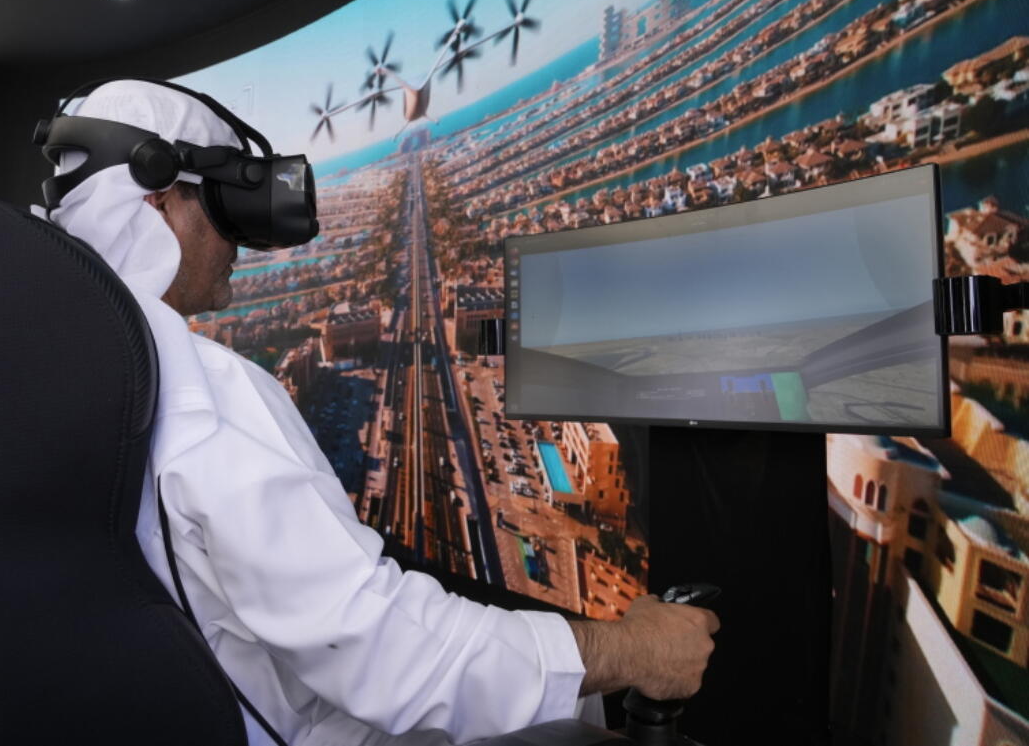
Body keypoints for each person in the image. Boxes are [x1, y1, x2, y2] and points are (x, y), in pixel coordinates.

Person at [38, 80, 719, 746]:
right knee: (576, 715)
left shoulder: (60, 355)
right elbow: (387, 646)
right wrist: (631, 647)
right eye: (220, 206)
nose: (235, 243)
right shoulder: (201, 392)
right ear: (159, 204)